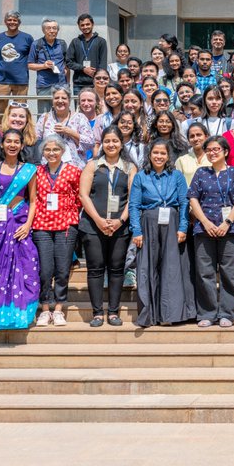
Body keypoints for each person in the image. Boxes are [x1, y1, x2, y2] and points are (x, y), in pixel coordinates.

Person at [0, 129, 39, 329]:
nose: (12, 145)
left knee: (27, 265)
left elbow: (34, 199)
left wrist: (28, 225)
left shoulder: (29, 169)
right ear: (2, 145)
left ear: (22, 146)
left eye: (16, 142)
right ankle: (0, 316)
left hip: (21, 220)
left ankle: (24, 315)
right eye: (9, 141)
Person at [129, 139, 193, 327]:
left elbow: (184, 203)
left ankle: (169, 314)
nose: (159, 156)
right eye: (155, 153)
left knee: (171, 268)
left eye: (162, 153)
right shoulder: (141, 176)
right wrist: (137, 230)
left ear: (168, 156)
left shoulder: (177, 176)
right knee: (147, 268)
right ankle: (149, 315)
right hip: (148, 223)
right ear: (149, 155)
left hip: (172, 223)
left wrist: (183, 227)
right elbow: (133, 205)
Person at [188, 136, 234, 328]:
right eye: (209, 150)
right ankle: (207, 312)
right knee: (205, 273)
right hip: (204, 229)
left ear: (225, 152)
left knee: (229, 273)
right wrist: (205, 222)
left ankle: (227, 314)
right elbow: (193, 199)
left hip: (230, 229)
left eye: (216, 149)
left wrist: (227, 222)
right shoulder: (201, 173)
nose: (212, 153)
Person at [78, 128, 136, 327]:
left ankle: (113, 312)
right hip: (93, 226)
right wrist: (99, 220)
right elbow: (83, 195)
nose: (111, 144)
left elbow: (133, 198)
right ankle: (97, 313)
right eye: (107, 141)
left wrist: (120, 220)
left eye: (115, 141)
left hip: (120, 227)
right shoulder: (93, 165)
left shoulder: (129, 167)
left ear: (122, 143)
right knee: (95, 269)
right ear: (102, 143)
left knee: (117, 269)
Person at [31, 135, 81, 327]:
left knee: (62, 269)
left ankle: (59, 308)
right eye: (47, 150)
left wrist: (68, 213)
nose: (51, 153)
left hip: (66, 225)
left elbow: (78, 196)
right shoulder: (36, 172)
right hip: (42, 225)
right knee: (45, 270)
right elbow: (32, 197)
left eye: (56, 149)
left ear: (63, 151)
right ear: (42, 152)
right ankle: (45, 308)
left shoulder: (73, 172)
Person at [0, 10, 34, 127]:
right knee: (0, 110)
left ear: (19, 22)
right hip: (2, 80)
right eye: (9, 20)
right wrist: (4, 68)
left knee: (20, 110)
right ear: (5, 22)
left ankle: (19, 134)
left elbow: (32, 57)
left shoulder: (27, 38)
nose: (12, 22)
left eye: (15, 20)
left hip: (21, 80)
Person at [35, 87, 95, 167]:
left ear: (69, 100)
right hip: (49, 168)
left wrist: (69, 132)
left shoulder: (80, 118)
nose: (60, 101)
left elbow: (90, 143)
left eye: (64, 98)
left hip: (74, 168)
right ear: (52, 101)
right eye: (56, 98)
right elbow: (36, 142)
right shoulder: (44, 118)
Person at [29, 18, 69, 113]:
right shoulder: (36, 44)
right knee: (43, 115)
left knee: (61, 113)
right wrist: (43, 66)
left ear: (58, 30)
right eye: (49, 28)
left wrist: (67, 83)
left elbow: (67, 66)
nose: (52, 31)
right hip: (44, 86)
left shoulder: (62, 44)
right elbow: (30, 65)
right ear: (43, 30)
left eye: (54, 28)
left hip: (61, 85)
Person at [64, 13, 108, 96]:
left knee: (96, 108)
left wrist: (99, 79)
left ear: (92, 24)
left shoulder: (101, 41)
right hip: (78, 84)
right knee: (79, 108)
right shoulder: (75, 42)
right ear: (79, 26)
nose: (85, 27)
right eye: (82, 25)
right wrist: (83, 68)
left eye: (87, 24)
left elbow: (103, 64)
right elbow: (69, 62)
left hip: (95, 84)